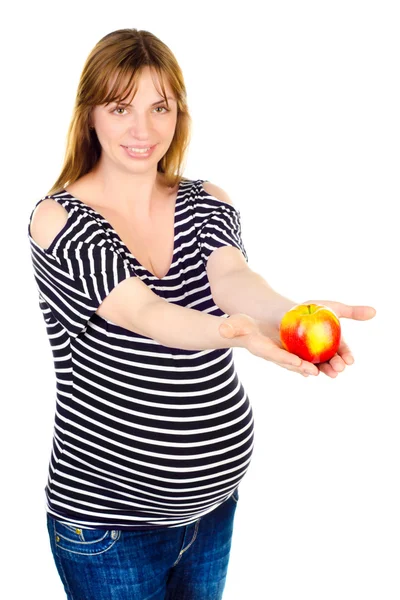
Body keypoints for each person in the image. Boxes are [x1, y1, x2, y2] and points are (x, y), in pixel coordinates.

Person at [27, 28, 376, 600]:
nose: (143, 130)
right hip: (109, 528)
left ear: (178, 114)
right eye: (121, 108)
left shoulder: (205, 198)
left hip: (212, 512)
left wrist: (294, 314)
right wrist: (228, 333)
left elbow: (232, 278)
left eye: (159, 107)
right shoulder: (58, 219)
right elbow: (143, 310)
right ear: (90, 114)